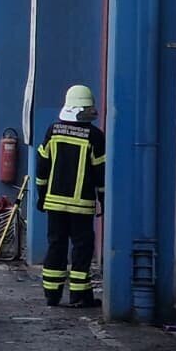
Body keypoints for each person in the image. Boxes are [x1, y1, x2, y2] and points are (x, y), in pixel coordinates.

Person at [36, 84, 106, 308]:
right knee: (82, 248)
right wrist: (103, 199)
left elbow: (42, 166)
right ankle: (78, 295)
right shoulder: (95, 136)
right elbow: (100, 173)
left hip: (54, 202)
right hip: (81, 205)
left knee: (56, 245)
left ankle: (52, 294)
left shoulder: (53, 131)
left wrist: (41, 195)